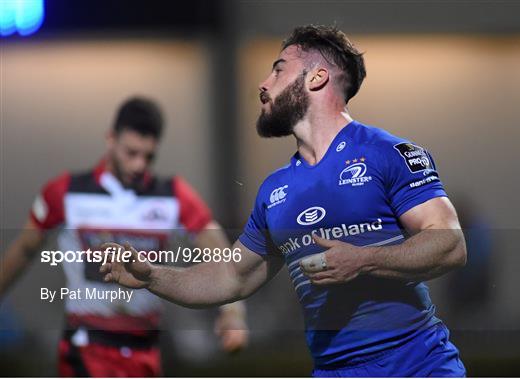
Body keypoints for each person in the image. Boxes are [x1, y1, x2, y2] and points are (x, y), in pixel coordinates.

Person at [101, 25, 467, 377]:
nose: (263, 83)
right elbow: (231, 277)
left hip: (418, 365)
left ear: (317, 78)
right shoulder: (275, 191)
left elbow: (450, 244)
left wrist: (365, 260)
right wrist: (152, 277)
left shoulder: (387, 154)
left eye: (278, 70)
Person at [0, 97, 248, 377]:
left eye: (148, 156)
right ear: (110, 139)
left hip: (146, 349)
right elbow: (24, 249)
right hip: (87, 347)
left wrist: (233, 312)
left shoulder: (173, 195)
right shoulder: (66, 192)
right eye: (131, 153)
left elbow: (220, 252)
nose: (139, 165)